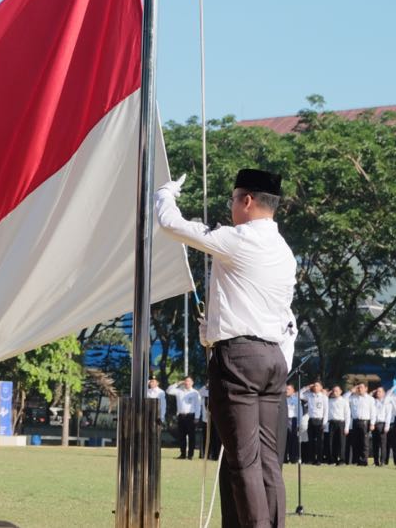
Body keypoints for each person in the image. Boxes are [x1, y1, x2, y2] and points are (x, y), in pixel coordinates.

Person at [156, 168, 296, 528]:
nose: (231, 207)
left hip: (240, 358)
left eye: (233, 199)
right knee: (268, 463)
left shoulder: (238, 239)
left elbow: (171, 224)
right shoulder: (284, 251)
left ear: (247, 201)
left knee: (244, 461)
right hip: (274, 358)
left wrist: (165, 193)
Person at [166, 377, 201, 459]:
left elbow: (198, 406)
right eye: (185, 381)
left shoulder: (195, 393)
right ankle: (182, 454)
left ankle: (190, 455)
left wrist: (197, 417)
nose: (187, 383)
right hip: (181, 416)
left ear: (192, 383)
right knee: (182, 436)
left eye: (189, 381)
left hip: (191, 416)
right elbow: (168, 390)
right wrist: (178, 383)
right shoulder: (179, 391)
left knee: (191, 436)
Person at [300, 381, 328, 465]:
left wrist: (324, 423)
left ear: (321, 388)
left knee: (319, 441)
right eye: (314, 386)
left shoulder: (324, 397)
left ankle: (319, 459)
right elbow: (299, 394)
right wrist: (307, 387)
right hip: (311, 420)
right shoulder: (309, 396)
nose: (315, 387)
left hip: (319, 420)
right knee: (311, 441)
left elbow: (326, 411)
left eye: (317, 386)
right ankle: (311, 459)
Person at [346, 383, 374, 466]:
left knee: (364, 443)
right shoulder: (353, 398)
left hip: (365, 422)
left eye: (361, 387)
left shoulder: (370, 399)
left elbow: (373, 412)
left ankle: (364, 460)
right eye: (358, 388)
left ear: (366, 388)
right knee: (356, 442)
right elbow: (343, 399)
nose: (359, 389)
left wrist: (372, 423)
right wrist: (351, 391)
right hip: (355, 421)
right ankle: (356, 460)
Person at [325, 385, 351, 465]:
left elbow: (347, 414)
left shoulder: (344, 401)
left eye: (336, 391)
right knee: (331, 442)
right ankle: (333, 459)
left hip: (341, 423)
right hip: (332, 423)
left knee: (341, 442)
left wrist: (347, 427)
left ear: (340, 392)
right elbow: (327, 413)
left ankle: (342, 460)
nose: (334, 392)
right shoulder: (330, 401)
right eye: (333, 391)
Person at [371, 387, 390, 467]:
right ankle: (376, 461)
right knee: (375, 444)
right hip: (374, 424)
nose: (378, 393)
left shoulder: (386, 403)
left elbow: (388, 415)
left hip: (382, 424)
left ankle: (382, 461)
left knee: (383, 444)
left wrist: (387, 426)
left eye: (380, 391)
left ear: (383, 393)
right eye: (377, 391)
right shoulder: (373, 402)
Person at [284, 384, 300, 464]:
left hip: (293, 420)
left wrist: (298, 424)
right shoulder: (282, 399)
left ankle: (293, 458)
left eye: (289, 389)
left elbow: (299, 412)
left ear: (293, 390)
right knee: (284, 440)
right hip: (284, 420)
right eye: (286, 389)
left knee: (293, 440)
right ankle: (284, 459)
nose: (287, 390)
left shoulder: (296, 399)